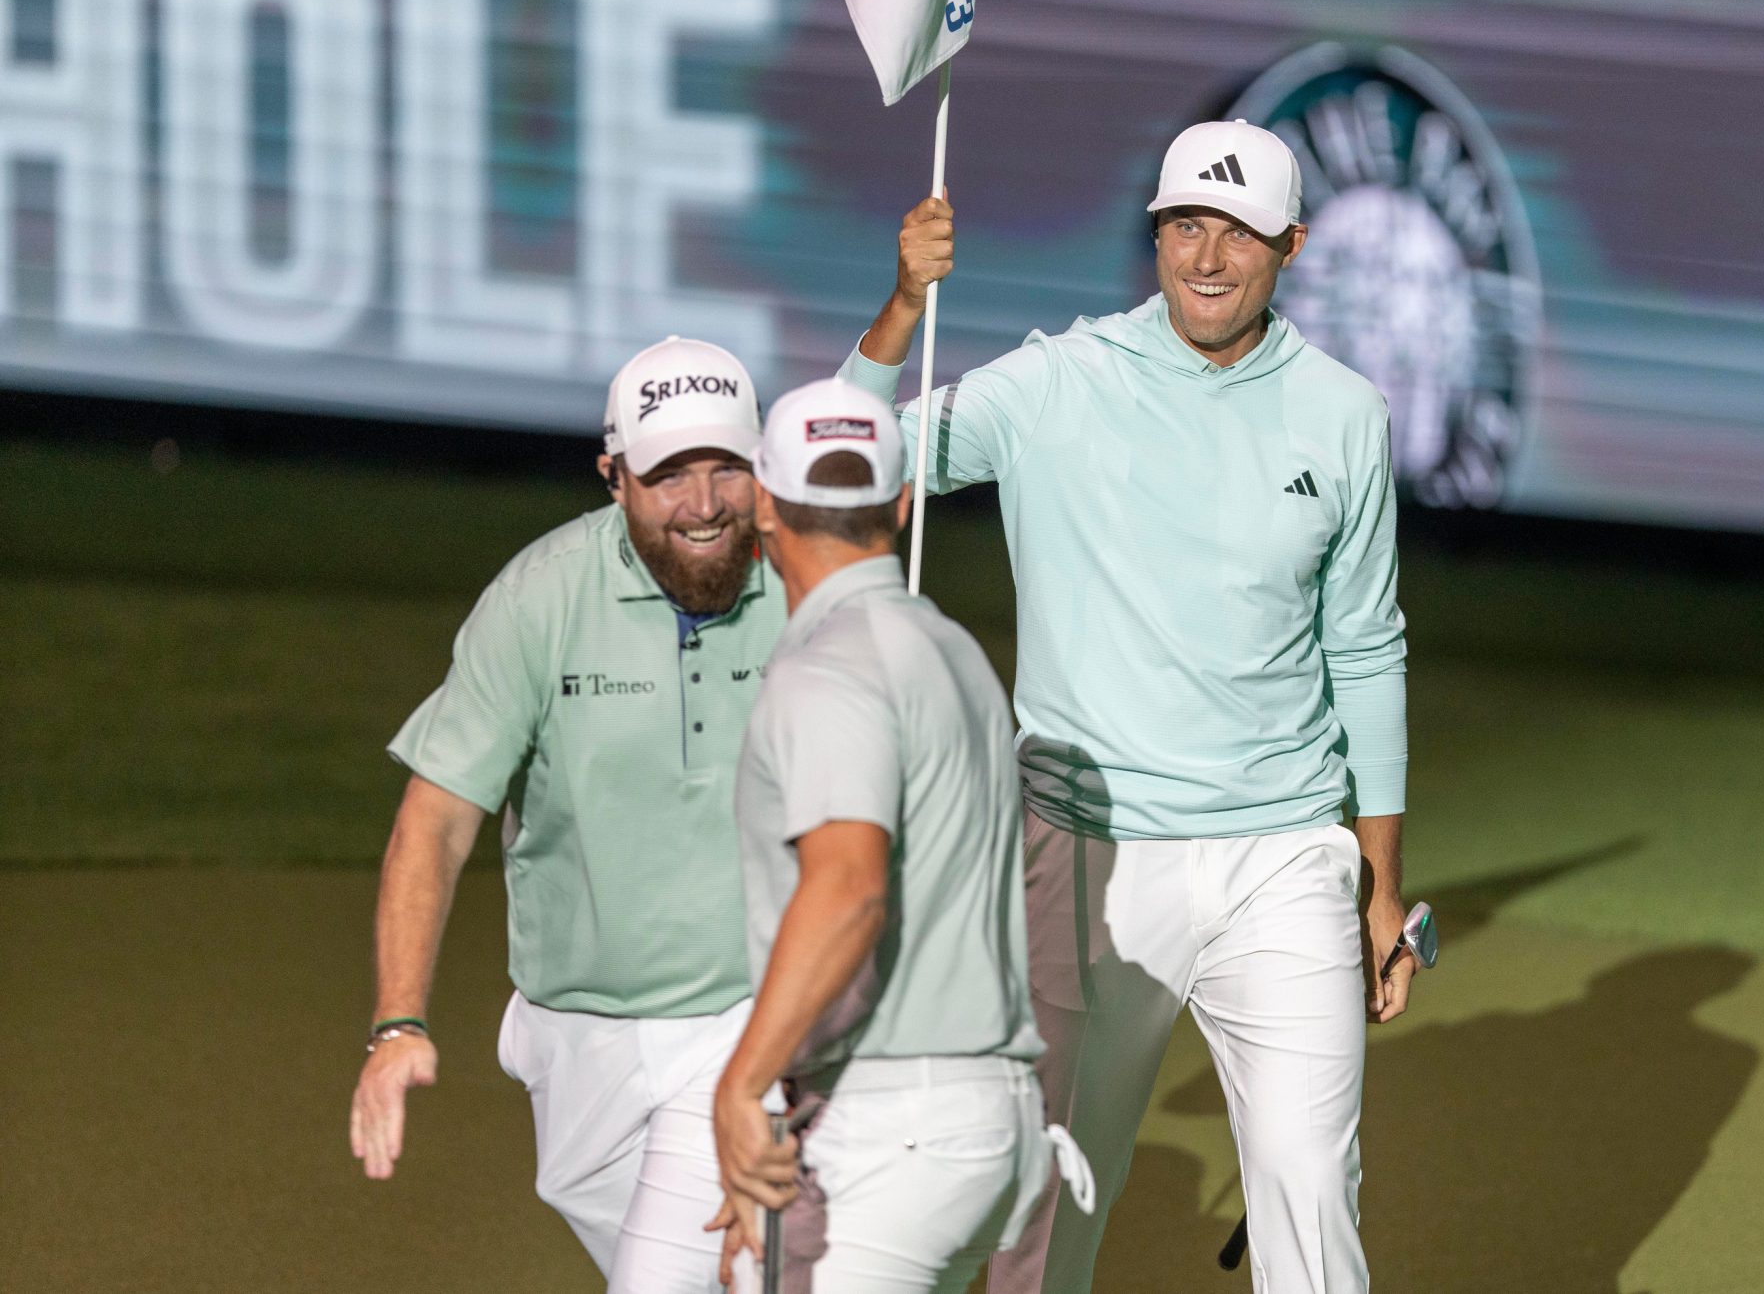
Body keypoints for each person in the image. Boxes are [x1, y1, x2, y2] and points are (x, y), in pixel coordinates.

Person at [839, 120, 1415, 1294]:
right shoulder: (1058, 382)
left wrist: (1379, 879)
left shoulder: (1345, 413)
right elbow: (844, 468)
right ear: (1154, 235)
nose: (1206, 257)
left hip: (1282, 856)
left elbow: (1365, 646)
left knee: (1310, 1183)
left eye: (1237, 233)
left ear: (1290, 245)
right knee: (1048, 1194)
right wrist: (900, 309)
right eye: (1182, 226)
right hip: (1087, 855)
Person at [348, 337, 787, 1293]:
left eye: (727, 468)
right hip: (574, 1035)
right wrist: (397, 1024)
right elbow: (436, 820)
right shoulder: (539, 598)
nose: (705, 503)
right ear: (614, 476)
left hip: (747, 1020)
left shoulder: (810, 581)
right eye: (670, 473)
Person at [709, 378, 1090, 1294]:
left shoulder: (827, 671)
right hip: (989, 1128)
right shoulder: (953, 650)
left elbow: (849, 889)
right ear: (903, 499)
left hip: (892, 1132)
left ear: (763, 500)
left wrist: (739, 1086)